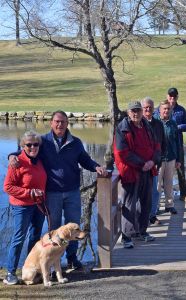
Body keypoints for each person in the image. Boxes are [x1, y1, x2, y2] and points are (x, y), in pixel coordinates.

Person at [8, 111, 107, 270]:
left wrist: (96, 167)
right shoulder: (42, 141)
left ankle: (72, 258)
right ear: (51, 123)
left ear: (68, 124)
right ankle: (52, 265)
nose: (59, 124)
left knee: (74, 228)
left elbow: (85, 160)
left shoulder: (75, 142)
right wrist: (12, 156)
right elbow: (26, 150)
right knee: (54, 230)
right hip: (51, 193)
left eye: (63, 122)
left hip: (73, 192)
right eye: (56, 121)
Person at [114, 101, 161, 248]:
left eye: (138, 111)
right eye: (133, 111)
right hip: (131, 172)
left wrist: (152, 161)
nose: (136, 113)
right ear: (128, 113)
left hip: (148, 171)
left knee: (146, 203)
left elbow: (157, 146)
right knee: (129, 205)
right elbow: (123, 153)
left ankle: (141, 231)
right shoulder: (122, 129)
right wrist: (143, 164)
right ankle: (126, 236)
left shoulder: (146, 126)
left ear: (142, 112)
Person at [3, 131, 47, 285]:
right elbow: (7, 187)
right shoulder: (17, 162)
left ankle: (30, 269)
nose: (33, 147)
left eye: (35, 144)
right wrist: (28, 192)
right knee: (19, 238)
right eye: (29, 145)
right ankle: (10, 273)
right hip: (22, 206)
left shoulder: (40, 160)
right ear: (23, 146)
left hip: (39, 205)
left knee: (35, 238)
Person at [154, 87, 186, 202]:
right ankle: (158, 200)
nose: (172, 98)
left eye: (174, 96)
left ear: (177, 97)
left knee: (180, 170)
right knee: (159, 176)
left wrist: (178, 127)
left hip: (176, 142)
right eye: (170, 96)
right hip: (161, 146)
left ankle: (184, 194)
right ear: (167, 96)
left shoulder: (181, 110)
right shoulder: (159, 109)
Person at [141, 97, 166, 225]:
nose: (148, 109)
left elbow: (162, 143)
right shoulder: (138, 124)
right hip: (141, 166)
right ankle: (141, 218)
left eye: (150, 107)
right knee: (142, 193)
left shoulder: (158, 124)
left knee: (155, 191)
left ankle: (152, 215)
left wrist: (160, 158)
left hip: (155, 164)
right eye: (145, 107)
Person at [155, 100, 182, 214]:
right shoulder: (155, 123)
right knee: (157, 184)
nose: (166, 111)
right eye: (164, 109)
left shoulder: (173, 123)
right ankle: (155, 206)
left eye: (168, 109)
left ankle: (169, 205)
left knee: (169, 183)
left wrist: (179, 159)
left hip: (171, 157)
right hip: (158, 159)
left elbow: (178, 142)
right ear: (160, 110)